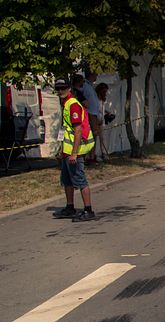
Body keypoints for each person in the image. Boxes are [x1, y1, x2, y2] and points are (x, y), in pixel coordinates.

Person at [52, 78, 96, 222]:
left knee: (80, 180)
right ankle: (70, 207)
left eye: (63, 88)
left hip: (73, 152)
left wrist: (74, 153)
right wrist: (62, 149)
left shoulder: (73, 105)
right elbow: (66, 130)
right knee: (67, 180)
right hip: (67, 150)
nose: (60, 91)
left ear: (69, 88)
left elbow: (77, 130)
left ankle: (88, 210)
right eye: (57, 89)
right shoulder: (65, 103)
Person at [81, 71, 102, 163]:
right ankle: (88, 155)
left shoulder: (90, 86)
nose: (97, 76)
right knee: (90, 134)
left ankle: (92, 155)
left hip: (94, 114)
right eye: (96, 74)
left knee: (95, 135)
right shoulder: (85, 86)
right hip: (89, 114)